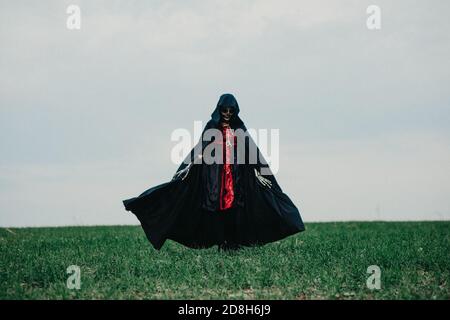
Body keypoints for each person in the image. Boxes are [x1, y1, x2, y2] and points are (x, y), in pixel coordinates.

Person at [123, 93, 305, 251]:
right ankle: (222, 242)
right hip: (214, 175)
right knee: (217, 207)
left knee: (235, 206)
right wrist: (186, 168)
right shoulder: (212, 126)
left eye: (230, 111)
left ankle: (233, 243)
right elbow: (199, 148)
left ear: (235, 111)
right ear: (219, 110)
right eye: (224, 110)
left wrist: (261, 172)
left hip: (236, 175)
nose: (227, 114)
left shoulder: (239, 128)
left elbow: (252, 151)